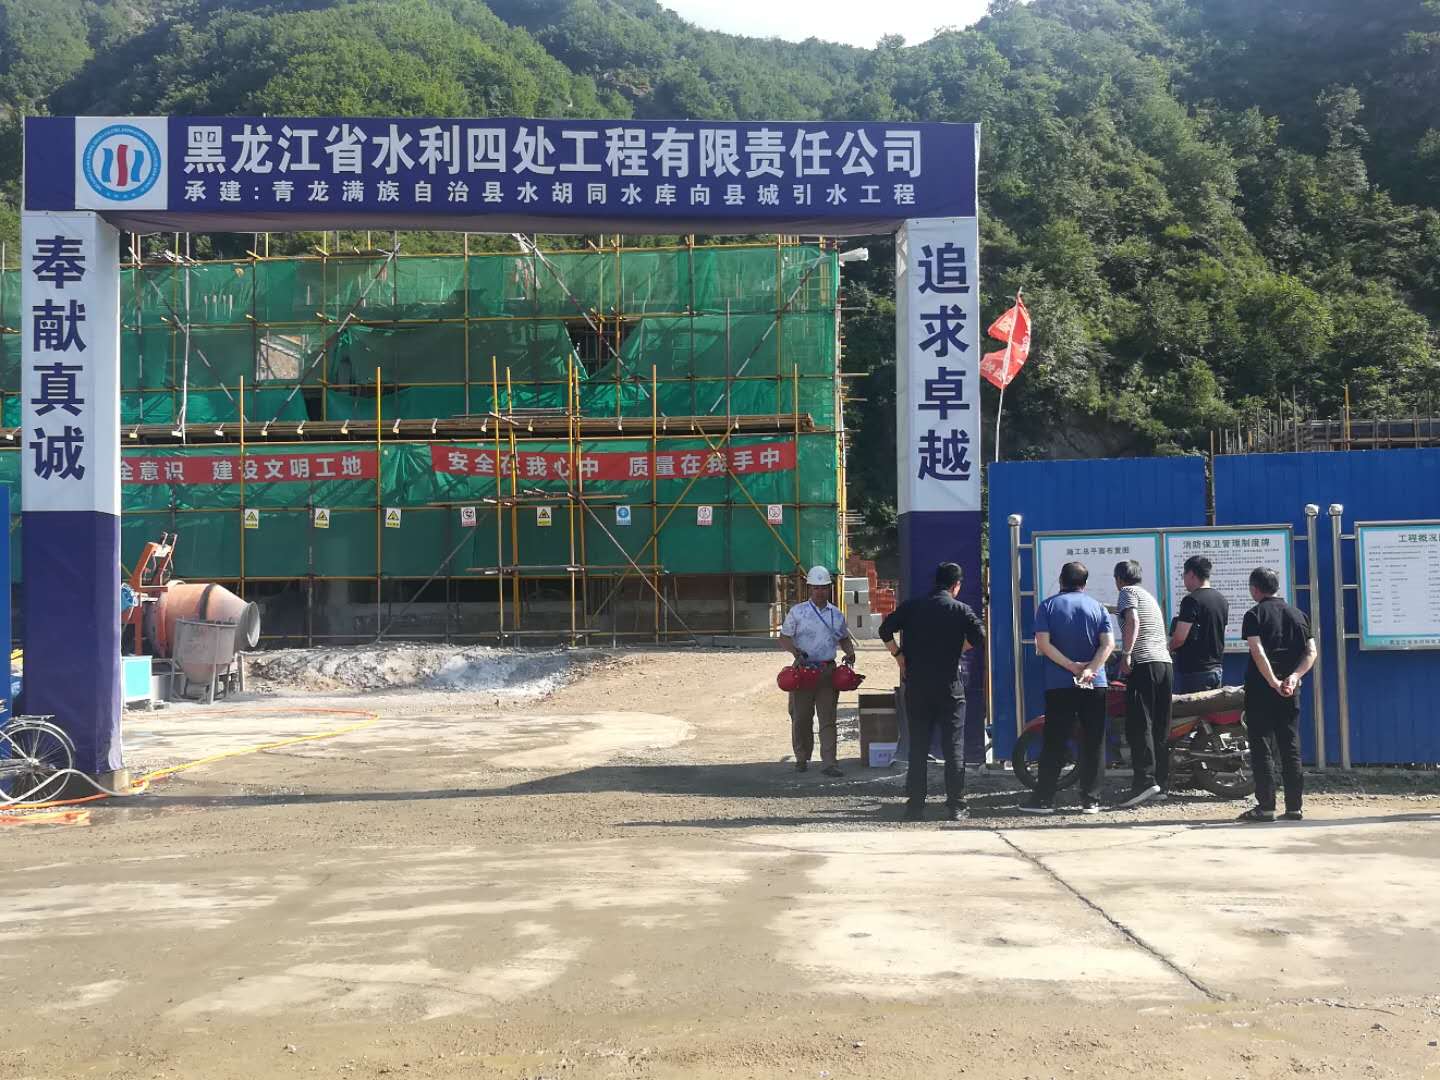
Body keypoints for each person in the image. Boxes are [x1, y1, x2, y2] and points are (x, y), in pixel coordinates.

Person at [878, 562, 986, 822]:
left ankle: (915, 806)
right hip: (950, 686)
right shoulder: (960, 609)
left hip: (918, 685)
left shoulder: (912, 606)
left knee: (918, 747)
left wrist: (899, 656)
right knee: (953, 747)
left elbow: (884, 630)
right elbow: (979, 635)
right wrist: (958, 648)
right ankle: (956, 806)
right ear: (956, 585)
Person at [1020, 561, 1115, 815]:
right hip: (1095, 683)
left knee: (1054, 739)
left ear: (1061, 580)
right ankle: (1091, 800)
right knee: (1094, 739)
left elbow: (1043, 644)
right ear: (1085, 583)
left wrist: (1071, 666)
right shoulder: (1098, 607)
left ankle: (1044, 800)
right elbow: (1108, 644)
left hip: (1059, 683)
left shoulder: (1048, 606)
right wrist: (1090, 669)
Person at [1236, 567, 1317, 823]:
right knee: (1290, 746)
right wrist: (1293, 677)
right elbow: (1311, 652)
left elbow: (1257, 651)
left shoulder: (1254, 615)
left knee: (1262, 747)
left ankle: (1266, 807)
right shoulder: (1299, 615)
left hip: (1261, 690)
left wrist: (1272, 681)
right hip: (1290, 691)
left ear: (1255, 589)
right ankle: (1294, 807)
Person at [779, 566, 856, 777]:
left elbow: (844, 638)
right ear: (809, 588)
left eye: (823, 588)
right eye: (816, 588)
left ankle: (830, 763)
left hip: (827, 672)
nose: (820, 592)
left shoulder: (836, 615)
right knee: (801, 717)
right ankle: (802, 757)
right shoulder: (797, 612)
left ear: (829, 588)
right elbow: (784, 637)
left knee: (828, 718)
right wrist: (795, 652)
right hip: (803, 671)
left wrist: (850, 653)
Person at [1113, 560, 1173, 809]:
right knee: (1159, 724)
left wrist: (1126, 653)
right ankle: (1160, 782)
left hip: (1144, 663)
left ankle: (1144, 782)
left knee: (1139, 724)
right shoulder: (1147, 596)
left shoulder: (1126, 592)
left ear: (1119, 579)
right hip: (1164, 664)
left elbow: (1133, 620)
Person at [1169, 555, 1229, 693]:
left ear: (1191, 574)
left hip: (1195, 671)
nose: (1183, 579)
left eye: (1184, 575)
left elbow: (1180, 638)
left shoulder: (1191, 600)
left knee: (1193, 707)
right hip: (1216, 669)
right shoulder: (1221, 600)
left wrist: (1168, 648)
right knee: (1212, 706)